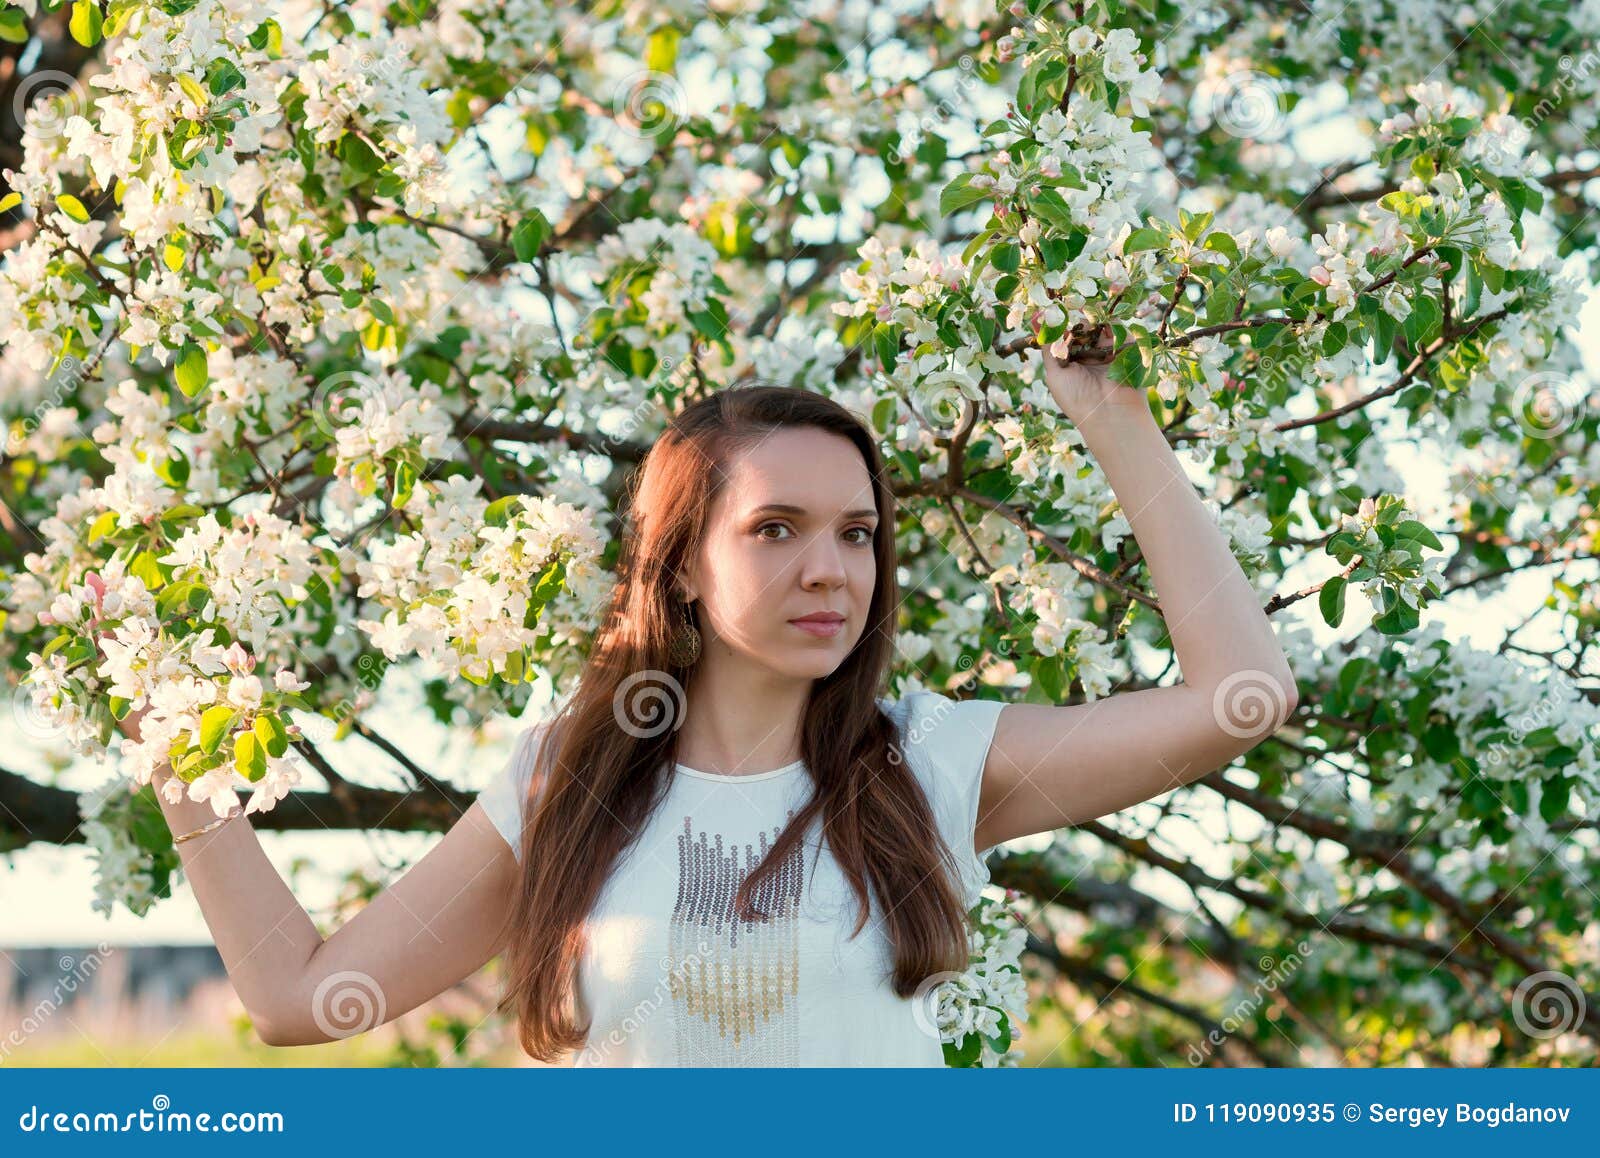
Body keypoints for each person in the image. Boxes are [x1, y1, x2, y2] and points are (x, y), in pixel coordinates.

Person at [118, 345, 1297, 1066]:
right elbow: (301, 1003)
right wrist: (178, 758)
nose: (830, 570)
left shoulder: (933, 760)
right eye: (774, 531)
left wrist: (1115, 422)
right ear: (681, 563)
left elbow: (1238, 701)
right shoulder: (563, 782)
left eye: (857, 533)